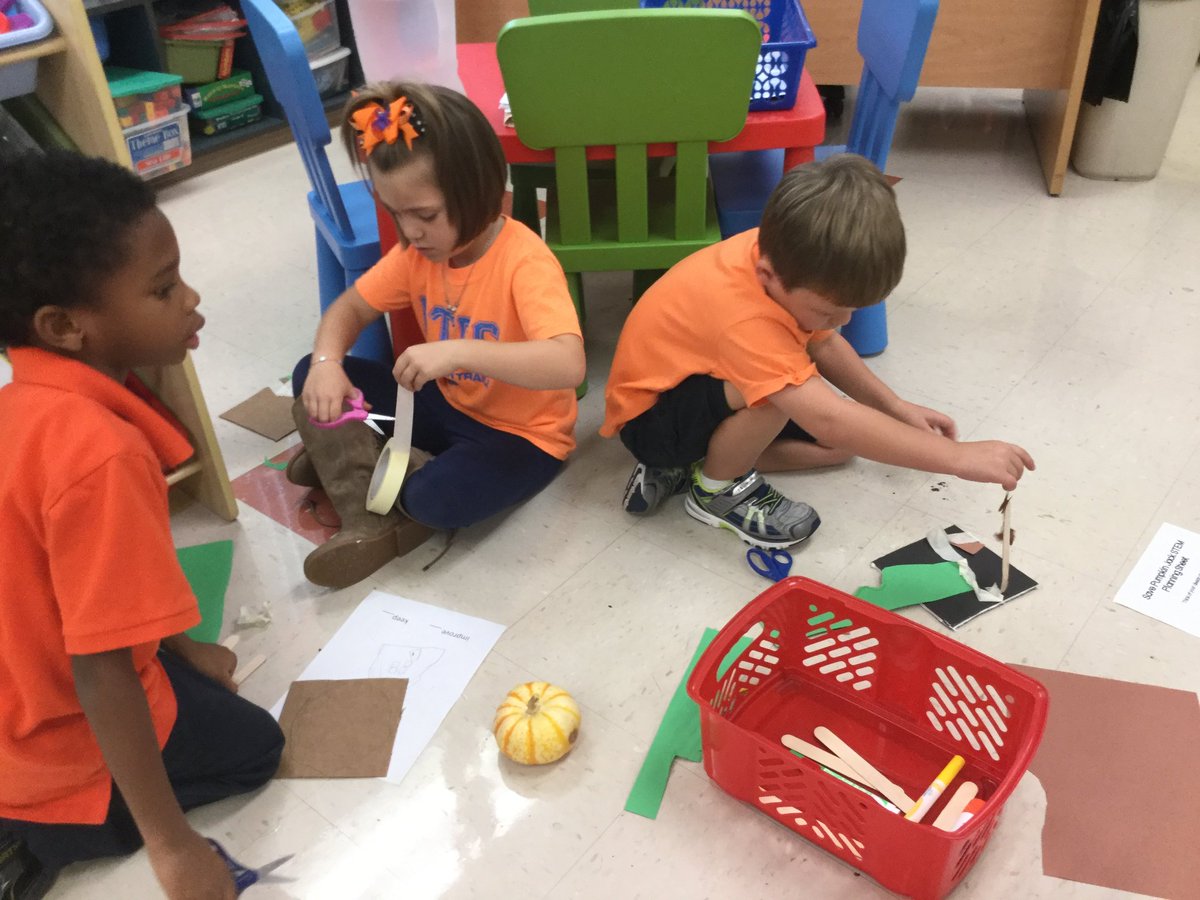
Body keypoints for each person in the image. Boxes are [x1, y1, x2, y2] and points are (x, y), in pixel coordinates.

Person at [0, 151, 284, 900]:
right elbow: (101, 669)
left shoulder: (23, 405)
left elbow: (78, 586)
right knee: (255, 748)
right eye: (163, 289)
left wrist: (185, 648)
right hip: (59, 733)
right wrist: (175, 846)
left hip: (19, 691)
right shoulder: (101, 456)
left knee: (205, 692)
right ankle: (44, 831)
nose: (191, 298)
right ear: (65, 327)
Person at [601, 154, 1035, 548]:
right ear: (768, 275)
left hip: (696, 391)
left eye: (851, 310)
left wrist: (896, 408)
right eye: (829, 310)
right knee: (779, 397)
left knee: (839, 447)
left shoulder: (784, 254)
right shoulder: (746, 320)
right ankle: (715, 491)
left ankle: (696, 466)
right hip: (650, 421)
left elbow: (825, 348)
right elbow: (829, 415)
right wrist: (956, 458)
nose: (843, 321)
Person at [290, 82, 585, 588]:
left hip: (522, 438)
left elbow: (568, 364)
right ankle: (367, 467)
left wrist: (457, 353)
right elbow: (349, 308)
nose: (411, 232)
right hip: (442, 407)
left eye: (424, 215)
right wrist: (325, 363)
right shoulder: (416, 255)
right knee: (309, 371)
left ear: (479, 192)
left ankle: (362, 472)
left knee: (435, 499)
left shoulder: (524, 260)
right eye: (395, 214)